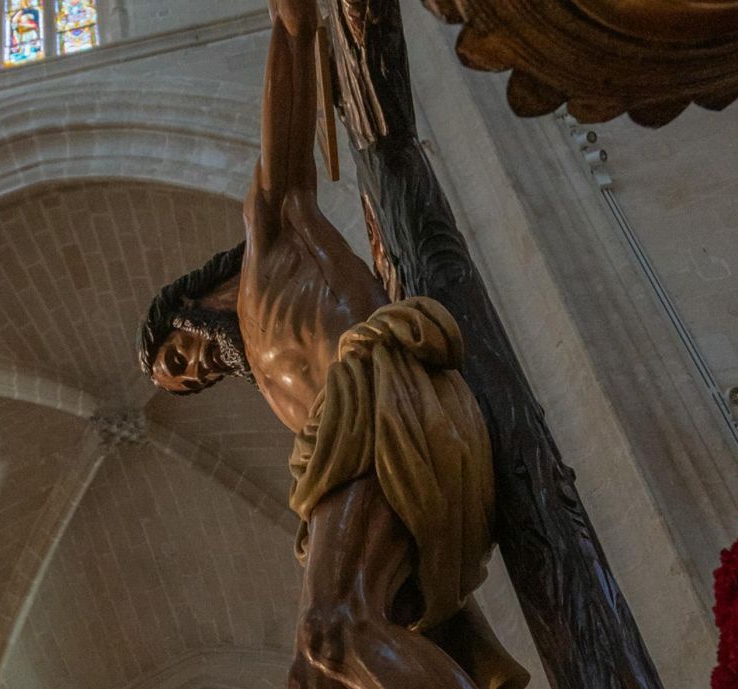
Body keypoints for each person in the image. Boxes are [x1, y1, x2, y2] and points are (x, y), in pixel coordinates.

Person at [137, 1, 528, 687]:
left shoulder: (275, 242)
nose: (196, 372)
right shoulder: (261, 359)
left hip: (390, 410)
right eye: (188, 383)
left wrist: (291, 29)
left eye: (179, 358)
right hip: (385, 451)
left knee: (331, 631)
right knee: (310, 671)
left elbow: (282, 134)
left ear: (187, 308)